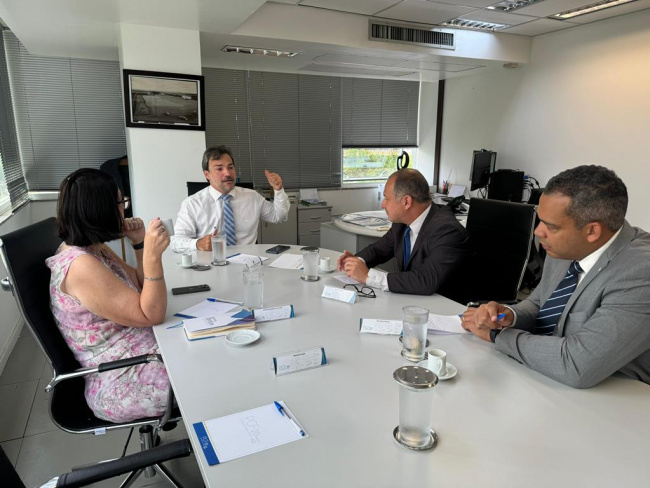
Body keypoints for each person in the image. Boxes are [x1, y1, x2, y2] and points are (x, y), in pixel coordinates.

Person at [462, 165, 650, 388]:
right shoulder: (565, 247)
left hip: (618, 394)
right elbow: (539, 303)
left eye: (551, 226)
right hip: (546, 378)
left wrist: (497, 336)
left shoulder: (640, 273)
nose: (538, 232)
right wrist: (506, 316)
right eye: (541, 220)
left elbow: (576, 364)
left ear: (592, 231)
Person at [46, 168, 171, 423]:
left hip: (140, 351)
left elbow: (137, 286)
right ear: (100, 210)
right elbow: (151, 314)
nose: (124, 208)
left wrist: (139, 243)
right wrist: (152, 256)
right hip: (119, 378)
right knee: (200, 371)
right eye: (120, 202)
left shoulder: (95, 249)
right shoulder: (81, 265)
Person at [337, 168, 472, 296]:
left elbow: (427, 280)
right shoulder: (401, 223)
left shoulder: (447, 231)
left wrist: (368, 276)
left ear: (406, 202)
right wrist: (355, 262)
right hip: (411, 300)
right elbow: (378, 250)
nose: (383, 204)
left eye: (387, 199)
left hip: (445, 307)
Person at [171, 146, 289, 252]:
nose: (227, 173)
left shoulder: (252, 197)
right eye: (219, 169)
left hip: (248, 262)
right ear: (207, 174)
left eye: (230, 167)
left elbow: (279, 217)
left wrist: (278, 190)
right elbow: (176, 242)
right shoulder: (192, 204)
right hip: (211, 264)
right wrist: (197, 244)